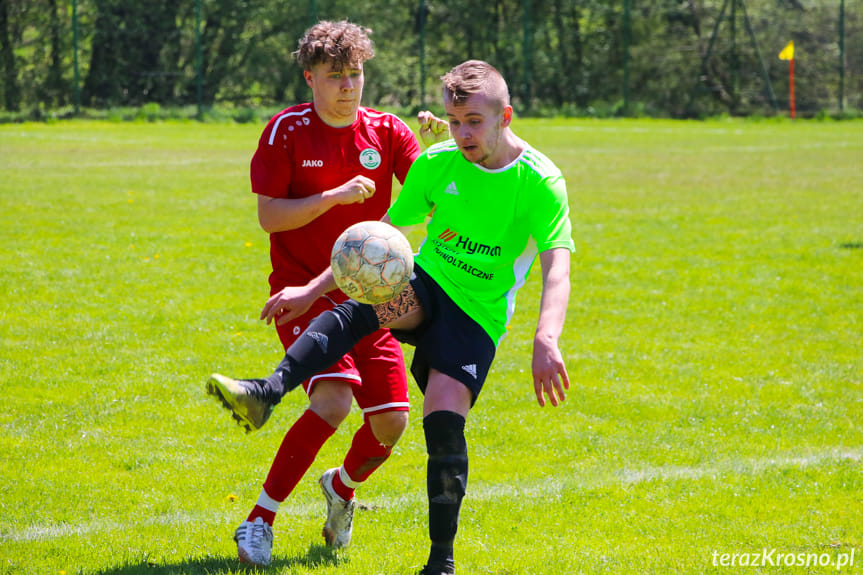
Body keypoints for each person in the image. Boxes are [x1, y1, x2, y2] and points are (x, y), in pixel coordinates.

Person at [210, 59, 574, 575]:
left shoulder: (540, 180)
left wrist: (546, 337)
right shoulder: (439, 162)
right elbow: (376, 242)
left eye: (473, 120)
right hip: (427, 286)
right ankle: (268, 390)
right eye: (453, 120)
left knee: (443, 427)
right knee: (364, 306)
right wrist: (311, 288)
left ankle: (439, 563)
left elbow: (556, 267)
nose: (462, 132)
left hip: (476, 317)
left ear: (505, 116)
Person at [206, 20, 448, 567]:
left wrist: (444, 151)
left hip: (372, 296)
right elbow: (270, 215)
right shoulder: (286, 131)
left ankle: (340, 488)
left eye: (356, 74)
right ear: (310, 77)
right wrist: (333, 197)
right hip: (304, 292)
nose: (348, 85)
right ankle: (258, 522)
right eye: (335, 75)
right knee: (335, 399)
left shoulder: (387, 132)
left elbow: (437, 202)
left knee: (391, 421)